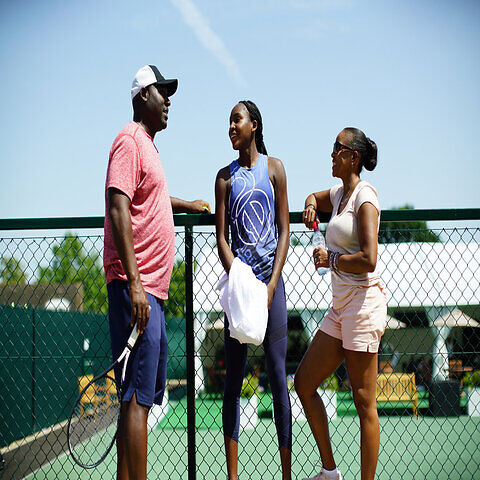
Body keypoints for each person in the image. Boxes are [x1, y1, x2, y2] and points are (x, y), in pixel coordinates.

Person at [103, 64, 210, 480]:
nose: (168, 101)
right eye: (161, 93)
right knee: (137, 398)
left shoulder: (147, 146)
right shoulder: (129, 141)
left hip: (150, 291)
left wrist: (189, 205)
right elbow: (119, 206)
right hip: (139, 288)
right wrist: (134, 283)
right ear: (141, 97)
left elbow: (154, 199)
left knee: (139, 397)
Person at [295, 128, 387, 480]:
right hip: (340, 307)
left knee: (364, 402)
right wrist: (308, 205)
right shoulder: (339, 193)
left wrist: (330, 259)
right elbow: (313, 196)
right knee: (304, 382)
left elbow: (369, 258)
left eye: (338, 148)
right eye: (333, 147)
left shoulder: (365, 197)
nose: (331, 153)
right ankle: (330, 472)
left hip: (363, 305)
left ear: (354, 157)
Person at [215, 100, 291, 480]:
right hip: (241, 291)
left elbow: (284, 231)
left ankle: (287, 473)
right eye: (229, 121)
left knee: (278, 377)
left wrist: (271, 283)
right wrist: (242, 281)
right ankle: (233, 476)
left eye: (237, 120)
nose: (231, 126)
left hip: (270, 288)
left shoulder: (274, 168)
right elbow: (221, 239)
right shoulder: (224, 177)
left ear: (254, 125)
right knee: (233, 381)